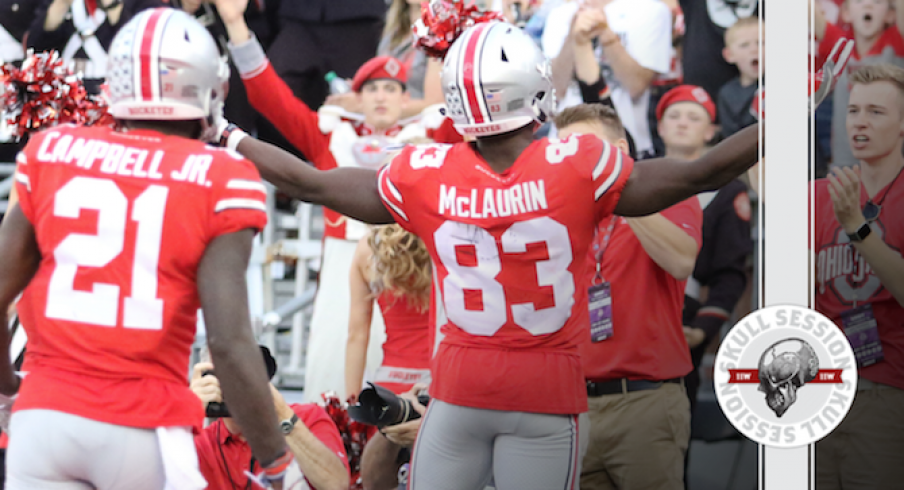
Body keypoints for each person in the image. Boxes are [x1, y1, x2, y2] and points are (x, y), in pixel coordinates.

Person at [214, 19, 760, 489]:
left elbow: (310, 183)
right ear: (533, 88)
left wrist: (224, 133)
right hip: (546, 395)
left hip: (457, 393)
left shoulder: (427, 172)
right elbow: (699, 172)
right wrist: (781, 119)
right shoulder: (577, 162)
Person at [0, 8, 290, 489]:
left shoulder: (53, 150)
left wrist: (8, 392)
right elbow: (228, 343)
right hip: (142, 423)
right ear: (207, 89)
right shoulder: (220, 175)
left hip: (43, 418)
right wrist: (278, 462)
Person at [215, 0, 460, 402]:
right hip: (343, 260)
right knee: (331, 363)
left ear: (406, 99)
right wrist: (235, 23)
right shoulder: (330, 132)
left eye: (391, 88)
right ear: (356, 97)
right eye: (372, 88)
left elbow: (467, 105)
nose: (381, 96)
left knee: (410, 378)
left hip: (411, 268)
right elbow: (269, 95)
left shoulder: (431, 135)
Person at [553, 103, 702, 490]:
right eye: (565, 150)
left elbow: (681, 260)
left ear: (619, 150)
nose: (576, 161)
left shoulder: (665, 194)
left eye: (586, 148)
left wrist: (617, 190)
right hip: (572, 404)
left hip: (644, 400)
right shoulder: (559, 215)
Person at [814, 63, 904, 490]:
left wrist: (857, 228)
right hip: (817, 391)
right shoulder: (817, 193)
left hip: (886, 394)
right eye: (853, 111)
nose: (860, 122)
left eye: (876, 112)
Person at [192, 349, 350, 490]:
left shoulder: (306, 417)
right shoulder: (196, 441)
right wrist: (185, 414)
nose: (235, 383)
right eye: (223, 373)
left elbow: (337, 484)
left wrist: (282, 415)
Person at [544, 0, 672, 157]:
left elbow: (636, 86)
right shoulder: (559, 14)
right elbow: (554, 89)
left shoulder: (650, 10)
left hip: (625, 142)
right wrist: (573, 37)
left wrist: (607, 36)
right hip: (563, 145)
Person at [814, 0, 904, 169]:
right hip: (844, 165)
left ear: (890, 14)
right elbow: (815, 20)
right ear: (846, 13)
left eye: (877, 2)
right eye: (859, 1)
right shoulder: (840, 46)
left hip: (888, 168)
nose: (867, 6)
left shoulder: (897, 44)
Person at [346, 224, 433, 399]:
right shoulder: (444, 238)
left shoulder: (367, 248)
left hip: (388, 383)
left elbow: (357, 335)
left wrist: (351, 404)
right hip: (438, 381)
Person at [717, 16, 761, 139]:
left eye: (761, 43)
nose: (754, 50)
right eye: (744, 45)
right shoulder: (728, 94)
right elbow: (731, 138)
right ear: (729, 55)